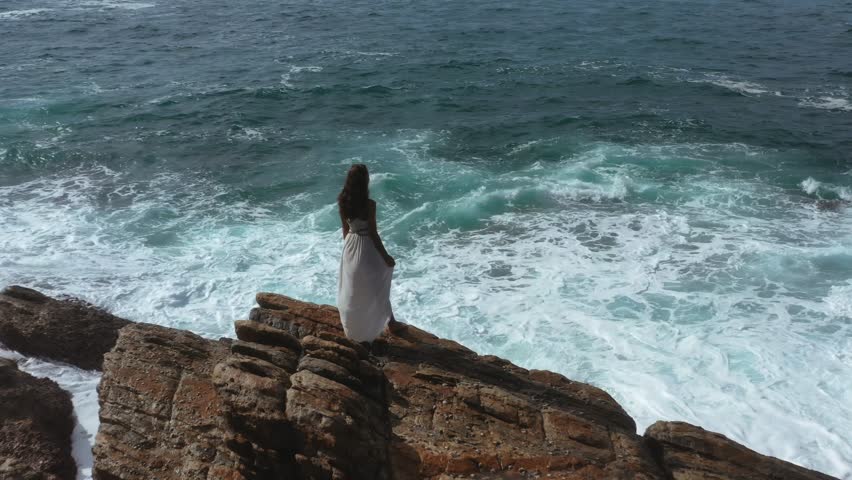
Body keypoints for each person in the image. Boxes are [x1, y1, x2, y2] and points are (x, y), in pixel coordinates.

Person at [337, 164, 397, 343]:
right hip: (366, 246)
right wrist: (386, 257)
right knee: (377, 286)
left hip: (350, 245)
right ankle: (391, 322)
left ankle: (355, 325)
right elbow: (373, 233)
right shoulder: (369, 205)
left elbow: (344, 231)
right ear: (365, 182)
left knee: (353, 289)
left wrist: (349, 250)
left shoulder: (342, 201)